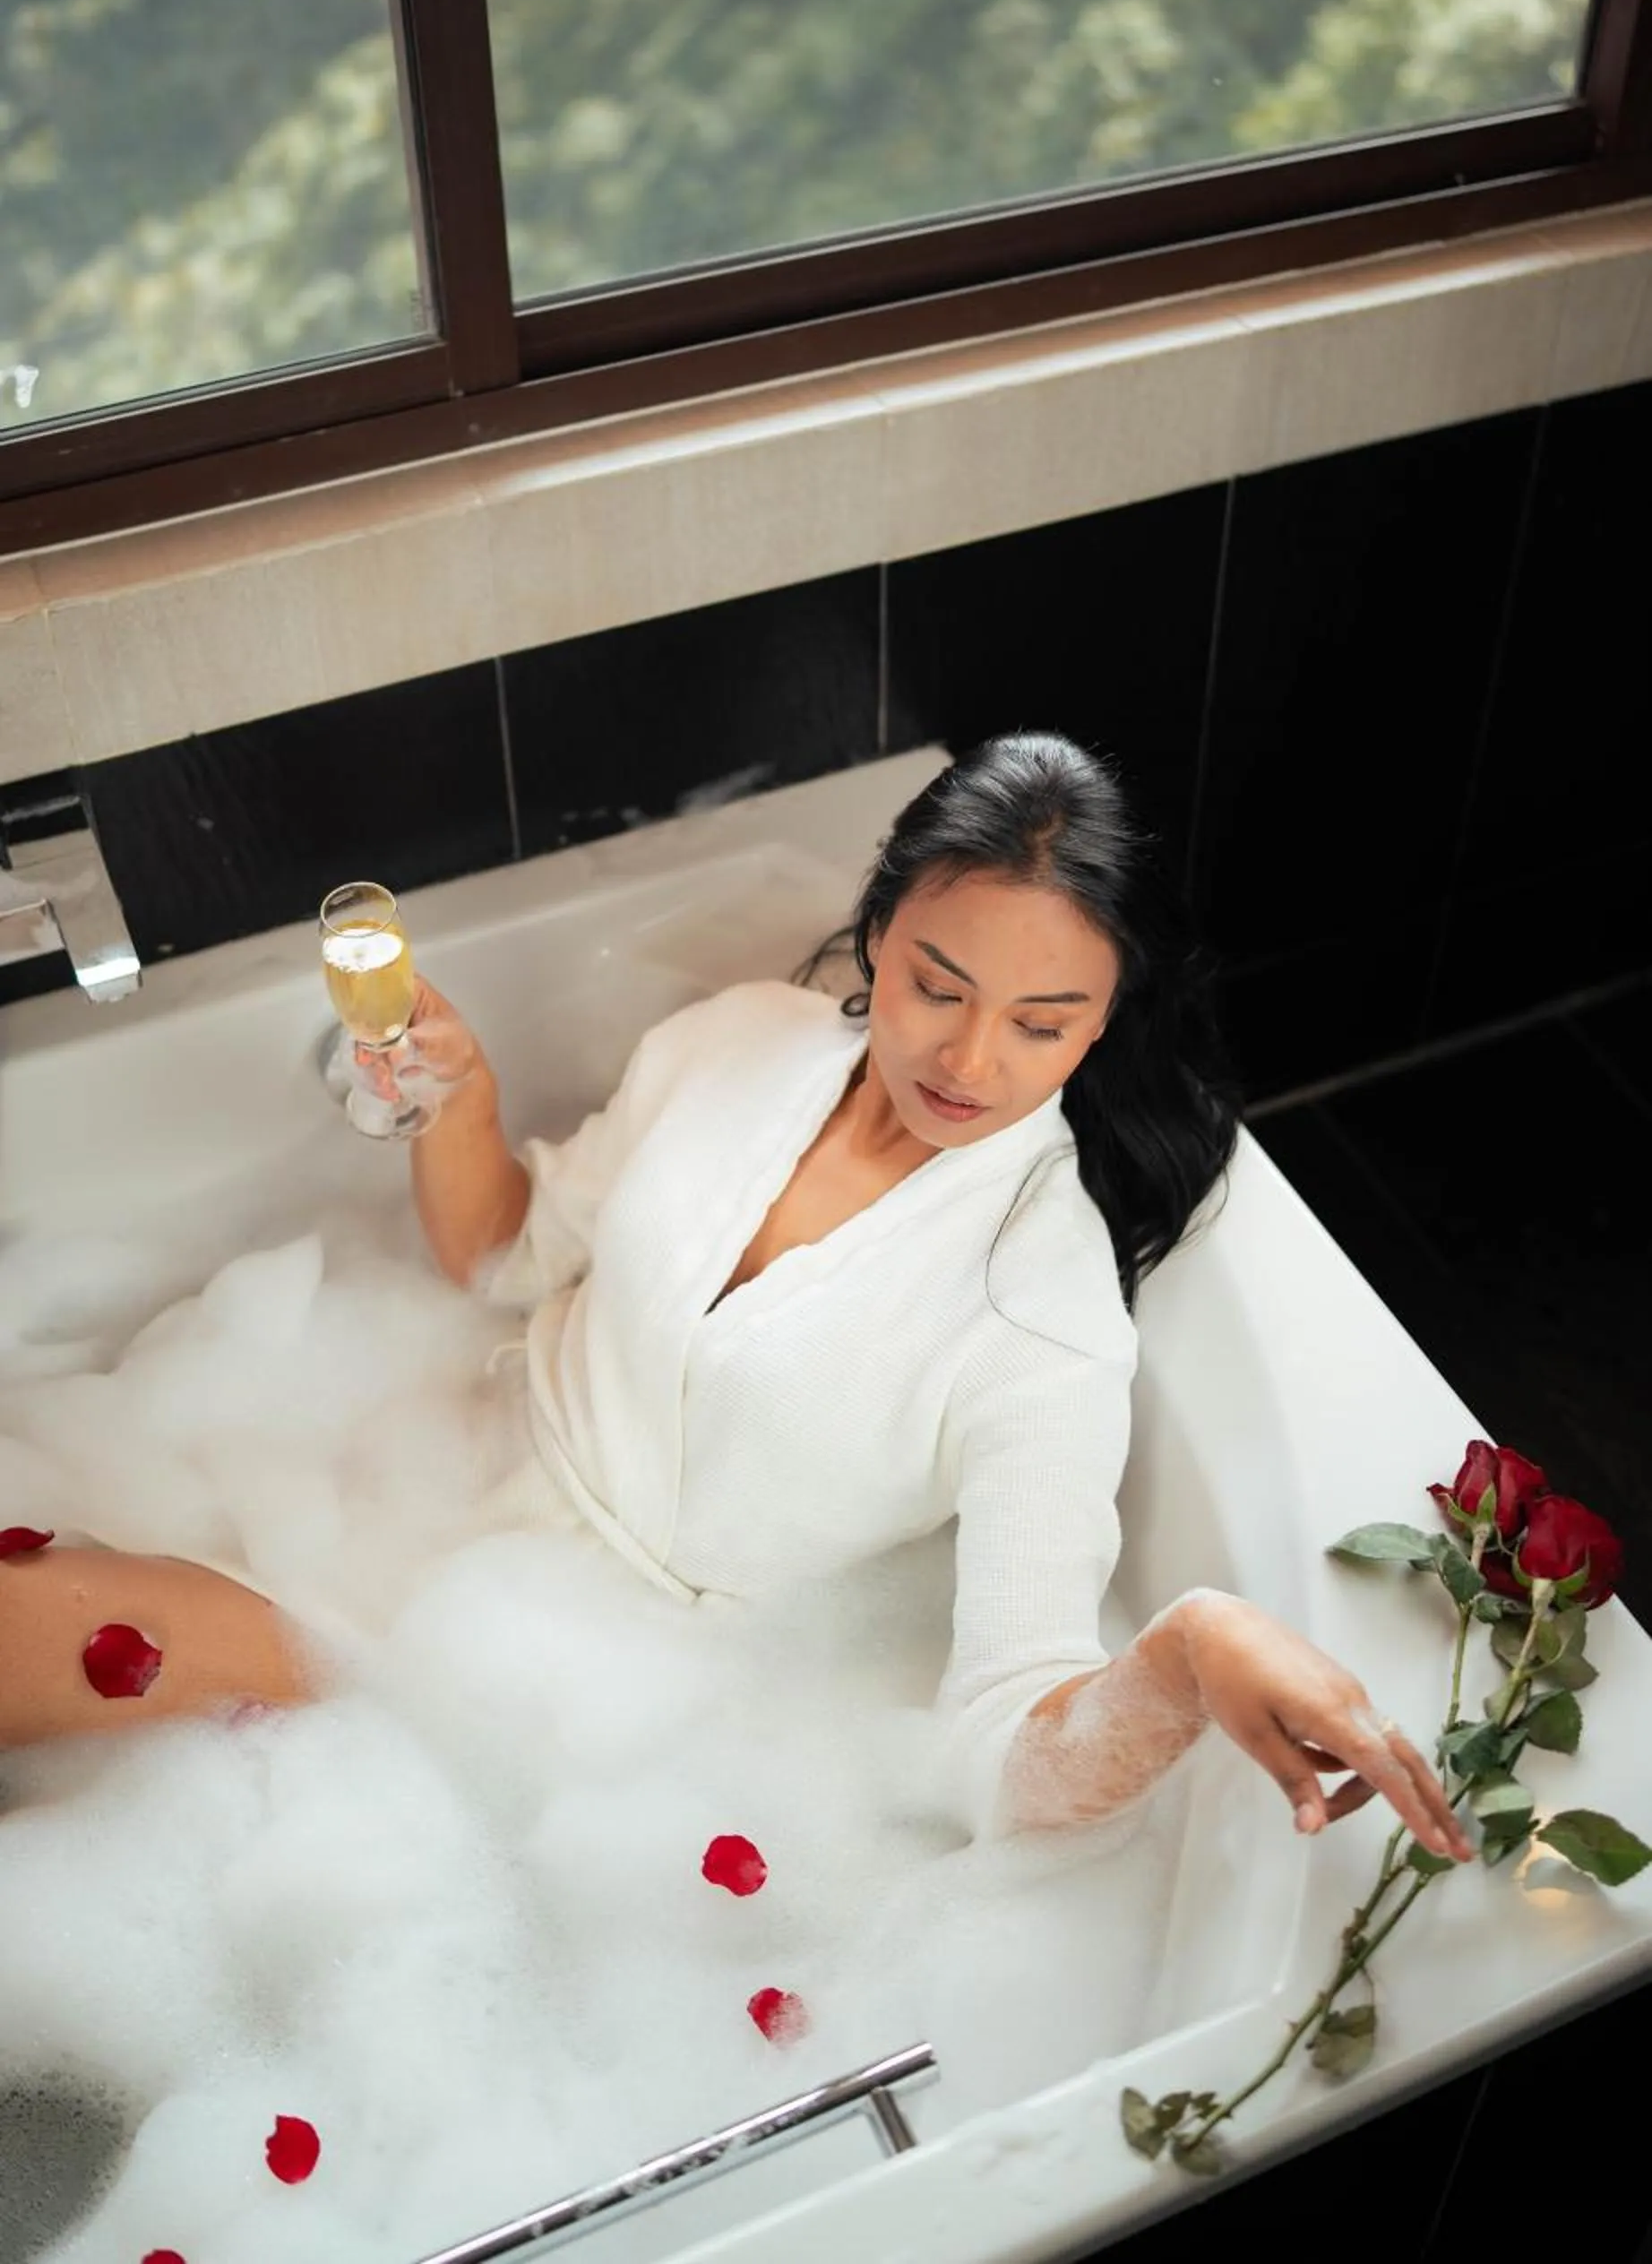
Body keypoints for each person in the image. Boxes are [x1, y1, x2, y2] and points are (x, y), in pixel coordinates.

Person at [0, 732, 1472, 1865]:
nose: (969, 1059)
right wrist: (462, 1092)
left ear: (1107, 1019)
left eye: (1044, 1024)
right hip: (405, 1457)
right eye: (935, 985)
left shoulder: (1045, 1324)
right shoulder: (741, 1041)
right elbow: (507, 1262)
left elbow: (1001, 1758)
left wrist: (1190, 1648)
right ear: (884, 928)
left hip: (558, 1683)